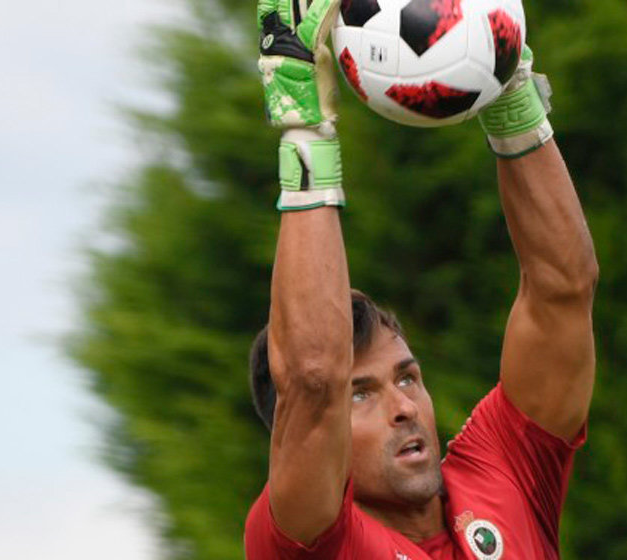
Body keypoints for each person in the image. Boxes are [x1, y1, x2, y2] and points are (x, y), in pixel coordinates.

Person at [245, 0, 598, 557]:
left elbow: (564, 287)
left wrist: (506, 91)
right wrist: (305, 129)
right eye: (360, 395)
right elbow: (313, 379)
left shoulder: (503, 472)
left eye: (407, 378)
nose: (404, 408)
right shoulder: (305, 540)